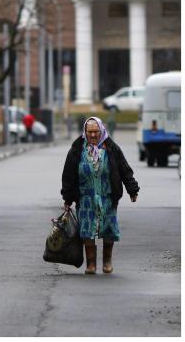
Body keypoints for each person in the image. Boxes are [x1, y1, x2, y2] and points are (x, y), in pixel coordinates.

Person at [61, 116, 139, 275]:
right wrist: (67, 198)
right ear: (85, 131)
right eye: (90, 132)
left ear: (102, 130)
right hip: (85, 198)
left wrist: (132, 189)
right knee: (87, 229)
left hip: (107, 196)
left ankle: (107, 261)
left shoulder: (111, 148)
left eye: (96, 131)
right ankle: (90, 264)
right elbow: (68, 175)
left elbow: (124, 169)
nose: (93, 135)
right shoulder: (77, 149)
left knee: (108, 228)